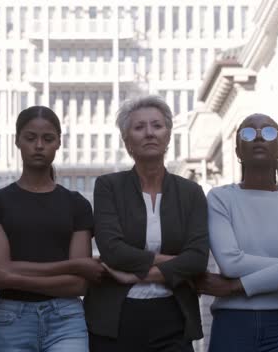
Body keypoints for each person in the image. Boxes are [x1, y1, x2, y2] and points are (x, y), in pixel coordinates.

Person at [84, 95, 209, 352]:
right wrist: (171, 260)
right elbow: (112, 251)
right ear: (127, 141)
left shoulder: (191, 192)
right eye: (139, 127)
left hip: (172, 315)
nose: (149, 133)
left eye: (157, 125)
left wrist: (132, 275)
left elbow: (197, 259)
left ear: (168, 136)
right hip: (115, 318)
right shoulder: (108, 186)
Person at [0, 105, 104, 352]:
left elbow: (78, 285)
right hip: (11, 317)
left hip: (66, 318)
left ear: (59, 142)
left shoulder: (77, 204)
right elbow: (0, 268)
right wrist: (73, 266)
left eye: (47, 138)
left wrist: (13, 278)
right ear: (17, 141)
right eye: (30, 138)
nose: (39, 145)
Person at [194, 113, 278, 352]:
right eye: (248, 133)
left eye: (269, 132)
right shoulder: (220, 198)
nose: (259, 137)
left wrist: (233, 287)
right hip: (231, 323)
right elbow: (230, 263)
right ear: (238, 150)